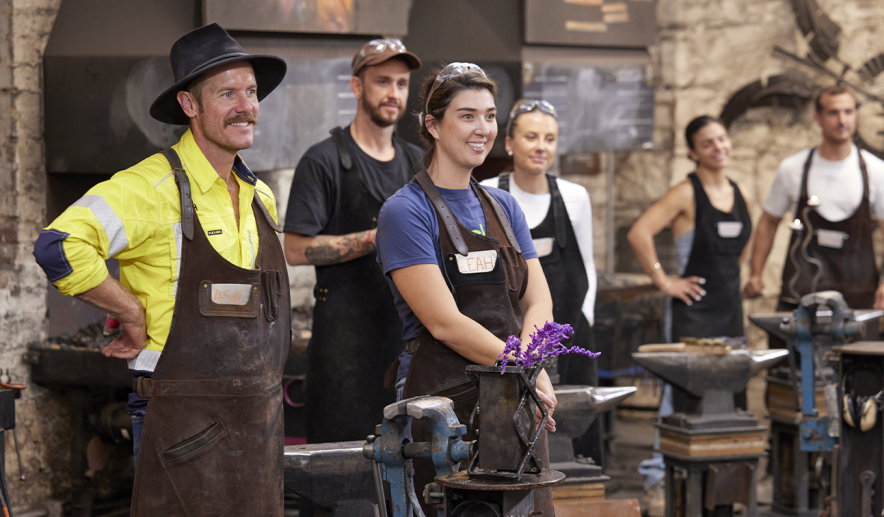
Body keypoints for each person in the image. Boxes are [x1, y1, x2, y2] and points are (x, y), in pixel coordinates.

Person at [33, 24, 289, 515]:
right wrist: (128, 308)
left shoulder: (260, 196)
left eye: (252, 92)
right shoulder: (149, 187)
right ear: (190, 106)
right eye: (228, 93)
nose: (246, 106)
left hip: (259, 421)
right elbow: (57, 247)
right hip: (181, 424)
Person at [376, 63, 557, 516]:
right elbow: (445, 322)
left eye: (490, 116)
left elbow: (538, 298)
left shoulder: (504, 205)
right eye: (467, 116)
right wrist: (524, 371)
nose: (483, 129)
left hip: (514, 399)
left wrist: (531, 367)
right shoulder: (405, 212)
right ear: (432, 125)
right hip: (445, 407)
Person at [282, 39, 423, 445]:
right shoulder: (323, 160)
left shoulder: (417, 163)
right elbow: (294, 249)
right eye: (382, 81)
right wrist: (375, 238)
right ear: (357, 87)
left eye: (400, 83)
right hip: (341, 351)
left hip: (404, 346)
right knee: (340, 475)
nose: (393, 93)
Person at [626, 116, 754, 509]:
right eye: (708, 142)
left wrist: (742, 278)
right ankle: (659, 480)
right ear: (693, 152)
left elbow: (739, 251)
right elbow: (639, 232)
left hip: (730, 312)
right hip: (691, 316)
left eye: (722, 138)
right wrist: (665, 282)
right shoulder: (684, 193)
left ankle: (722, 482)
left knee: (730, 398)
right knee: (679, 401)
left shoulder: (741, 192)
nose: (719, 147)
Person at [479, 98, 601, 461]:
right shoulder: (487, 192)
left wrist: (586, 317)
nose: (541, 147)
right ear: (509, 143)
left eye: (549, 139)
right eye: (531, 136)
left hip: (571, 333)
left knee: (576, 432)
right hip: (510, 336)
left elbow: (588, 265)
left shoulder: (575, 197)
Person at [744, 86, 884, 323]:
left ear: (856, 115)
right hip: (801, 294)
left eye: (848, 112)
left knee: (861, 360)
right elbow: (768, 223)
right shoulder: (793, 169)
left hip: (858, 299)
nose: (842, 120)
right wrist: (756, 273)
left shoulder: (876, 171)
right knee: (794, 359)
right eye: (833, 113)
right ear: (817, 118)